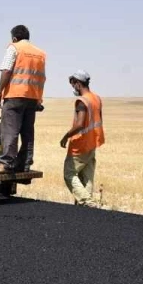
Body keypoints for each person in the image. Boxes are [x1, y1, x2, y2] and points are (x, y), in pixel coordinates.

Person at [0, 24, 46, 173]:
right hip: (32, 97)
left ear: (14, 38)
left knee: (10, 130)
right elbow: (42, 78)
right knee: (27, 132)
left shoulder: (14, 48)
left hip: (15, 95)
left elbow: (7, 70)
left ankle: (6, 163)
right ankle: (25, 163)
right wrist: (38, 99)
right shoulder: (40, 53)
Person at [59, 70, 105, 206]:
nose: (73, 88)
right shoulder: (96, 98)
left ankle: (88, 203)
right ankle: (86, 210)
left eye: (73, 84)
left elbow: (79, 124)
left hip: (80, 145)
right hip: (93, 143)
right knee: (87, 178)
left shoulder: (82, 101)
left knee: (69, 174)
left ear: (78, 83)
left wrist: (66, 136)